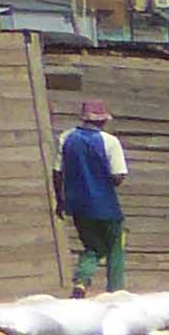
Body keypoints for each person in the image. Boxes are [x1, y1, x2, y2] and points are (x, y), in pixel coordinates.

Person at [52, 97, 125, 294]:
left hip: (78, 205)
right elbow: (118, 176)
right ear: (103, 120)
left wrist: (60, 201)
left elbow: (57, 173)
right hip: (106, 205)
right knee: (115, 248)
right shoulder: (109, 142)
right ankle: (115, 291)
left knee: (92, 246)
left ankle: (81, 281)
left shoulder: (66, 138)